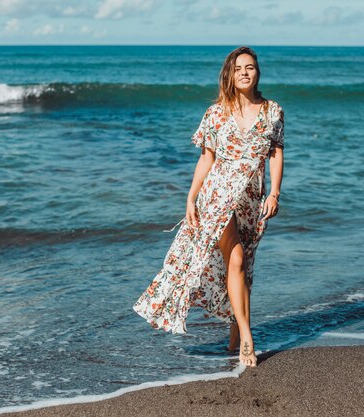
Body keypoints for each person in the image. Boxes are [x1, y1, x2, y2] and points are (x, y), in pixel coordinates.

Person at [133, 46, 284, 367]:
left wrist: (274, 194)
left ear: (258, 73)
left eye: (251, 67)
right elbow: (207, 158)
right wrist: (191, 197)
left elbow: (275, 153)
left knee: (243, 267)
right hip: (217, 196)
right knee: (237, 257)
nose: (245, 72)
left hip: (250, 199)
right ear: (229, 74)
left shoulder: (273, 111)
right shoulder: (216, 113)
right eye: (239, 68)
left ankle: (233, 332)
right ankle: (246, 338)